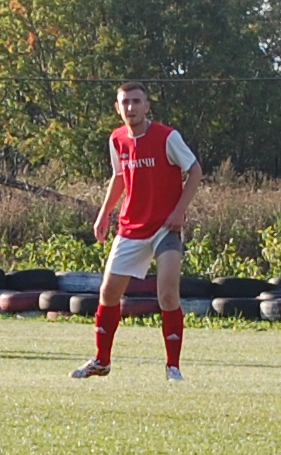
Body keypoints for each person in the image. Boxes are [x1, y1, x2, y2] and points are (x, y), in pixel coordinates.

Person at [73, 83, 200, 382]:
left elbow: (195, 170)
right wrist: (104, 214)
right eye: (125, 102)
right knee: (108, 293)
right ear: (118, 108)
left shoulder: (168, 137)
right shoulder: (117, 139)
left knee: (168, 294)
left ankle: (173, 368)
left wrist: (179, 210)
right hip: (131, 228)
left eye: (136, 101)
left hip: (165, 228)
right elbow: (119, 177)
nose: (131, 107)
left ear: (147, 106)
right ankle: (101, 361)